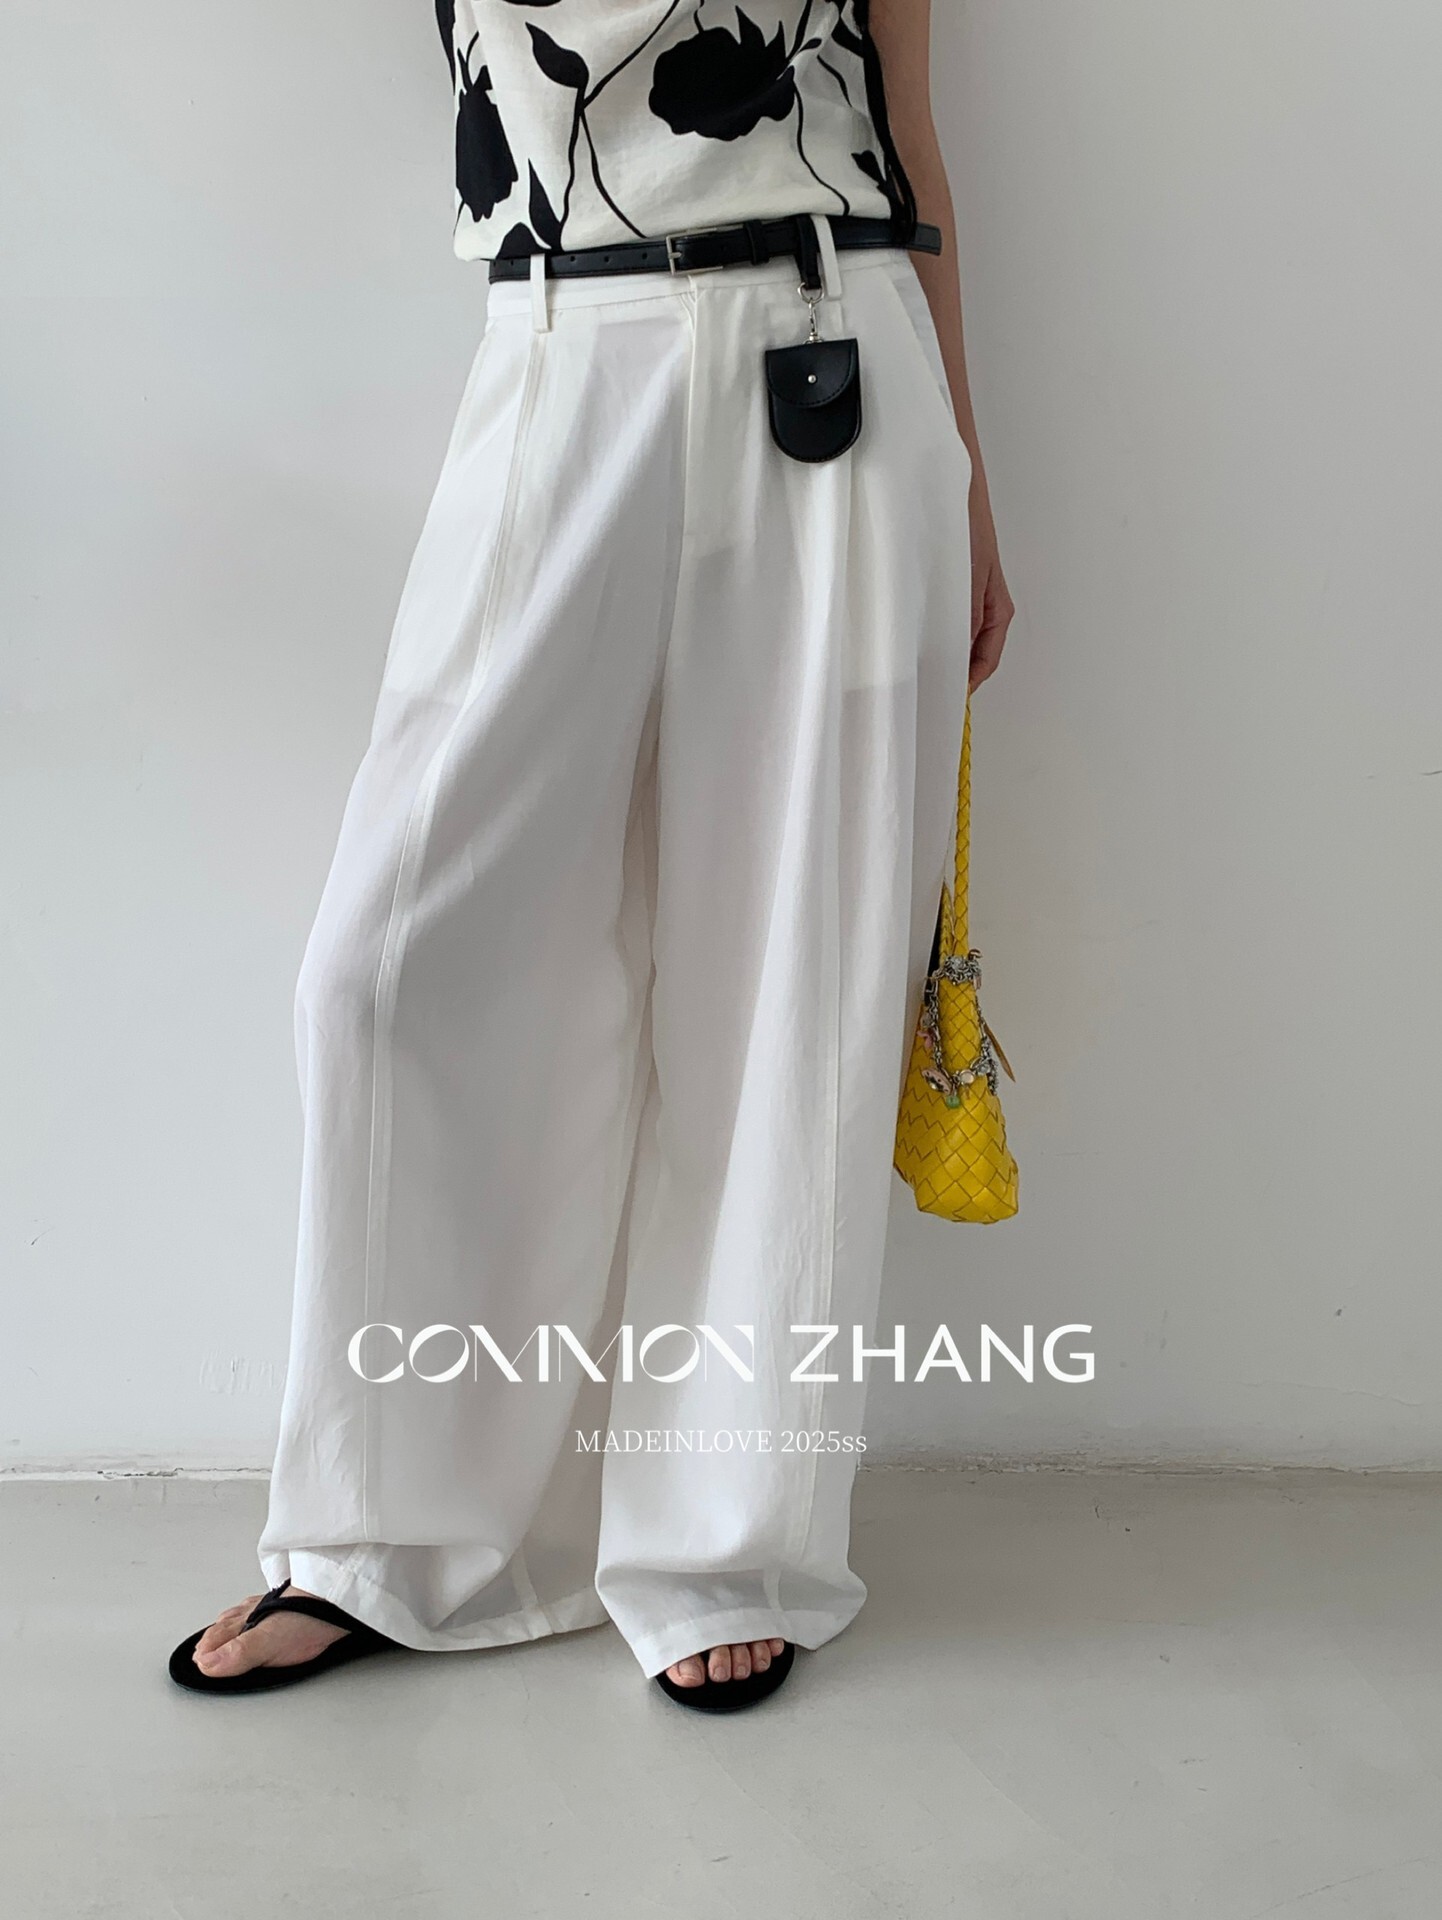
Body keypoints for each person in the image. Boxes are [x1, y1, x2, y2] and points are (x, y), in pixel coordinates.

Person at [169, 0, 1012, 1713]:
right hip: (555, 355)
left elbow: (910, 138)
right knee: (388, 973)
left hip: (831, 359)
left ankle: (725, 1541)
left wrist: (973, 487)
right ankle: (387, 1534)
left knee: (785, 972)